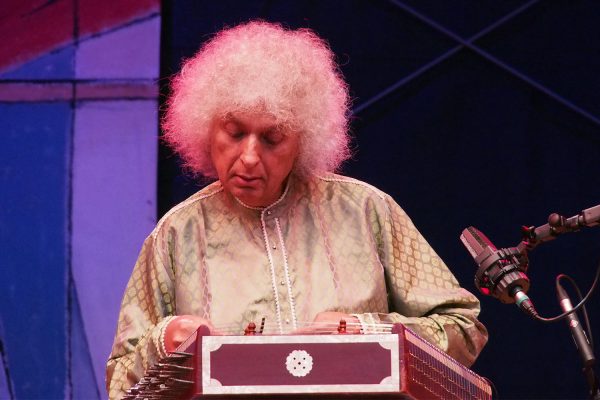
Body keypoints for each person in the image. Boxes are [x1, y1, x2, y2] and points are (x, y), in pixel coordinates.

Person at [106, 20, 488, 398]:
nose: (250, 157)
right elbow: (120, 383)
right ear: (206, 128)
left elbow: (463, 327)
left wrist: (362, 331)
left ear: (304, 141)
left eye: (272, 138)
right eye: (235, 133)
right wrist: (165, 340)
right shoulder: (177, 233)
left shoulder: (366, 211)